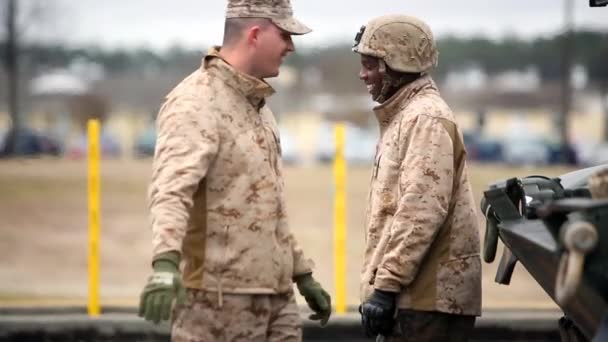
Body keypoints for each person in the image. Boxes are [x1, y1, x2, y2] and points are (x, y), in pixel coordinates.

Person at [137, 1, 331, 341]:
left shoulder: (258, 107)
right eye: (285, 35)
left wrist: (302, 274)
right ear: (255, 35)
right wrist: (165, 264)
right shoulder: (195, 103)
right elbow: (171, 190)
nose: (291, 46)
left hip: (276, 297)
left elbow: (270, 206)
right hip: (217, 301)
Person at [353, 15, 482, 341]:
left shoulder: (425, 118)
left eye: (370, 64)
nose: (362, 74)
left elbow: (421, 210)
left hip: (427, 301)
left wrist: (385, 286)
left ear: (396, 65)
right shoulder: (408, 116)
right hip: (417, 298)